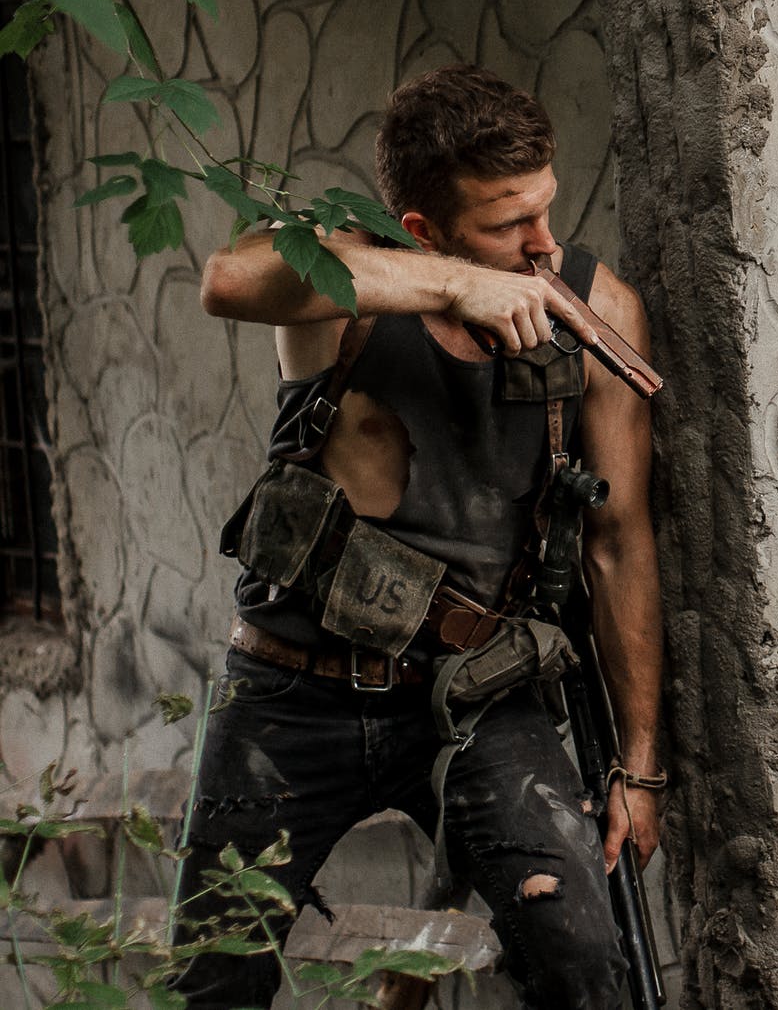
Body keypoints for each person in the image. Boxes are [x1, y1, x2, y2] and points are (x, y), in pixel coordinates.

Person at [176, 64, 662, 1009]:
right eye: (505, 226)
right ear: (425, 230)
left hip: (478, 697)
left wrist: (640, 766)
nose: (542, 244)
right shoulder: (349, 279)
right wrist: (451, 287)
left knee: (583, 959)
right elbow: (229, 277)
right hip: (292, 693)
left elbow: (618, 542)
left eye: (545, 209)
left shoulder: (594, 308)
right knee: (210, 980)